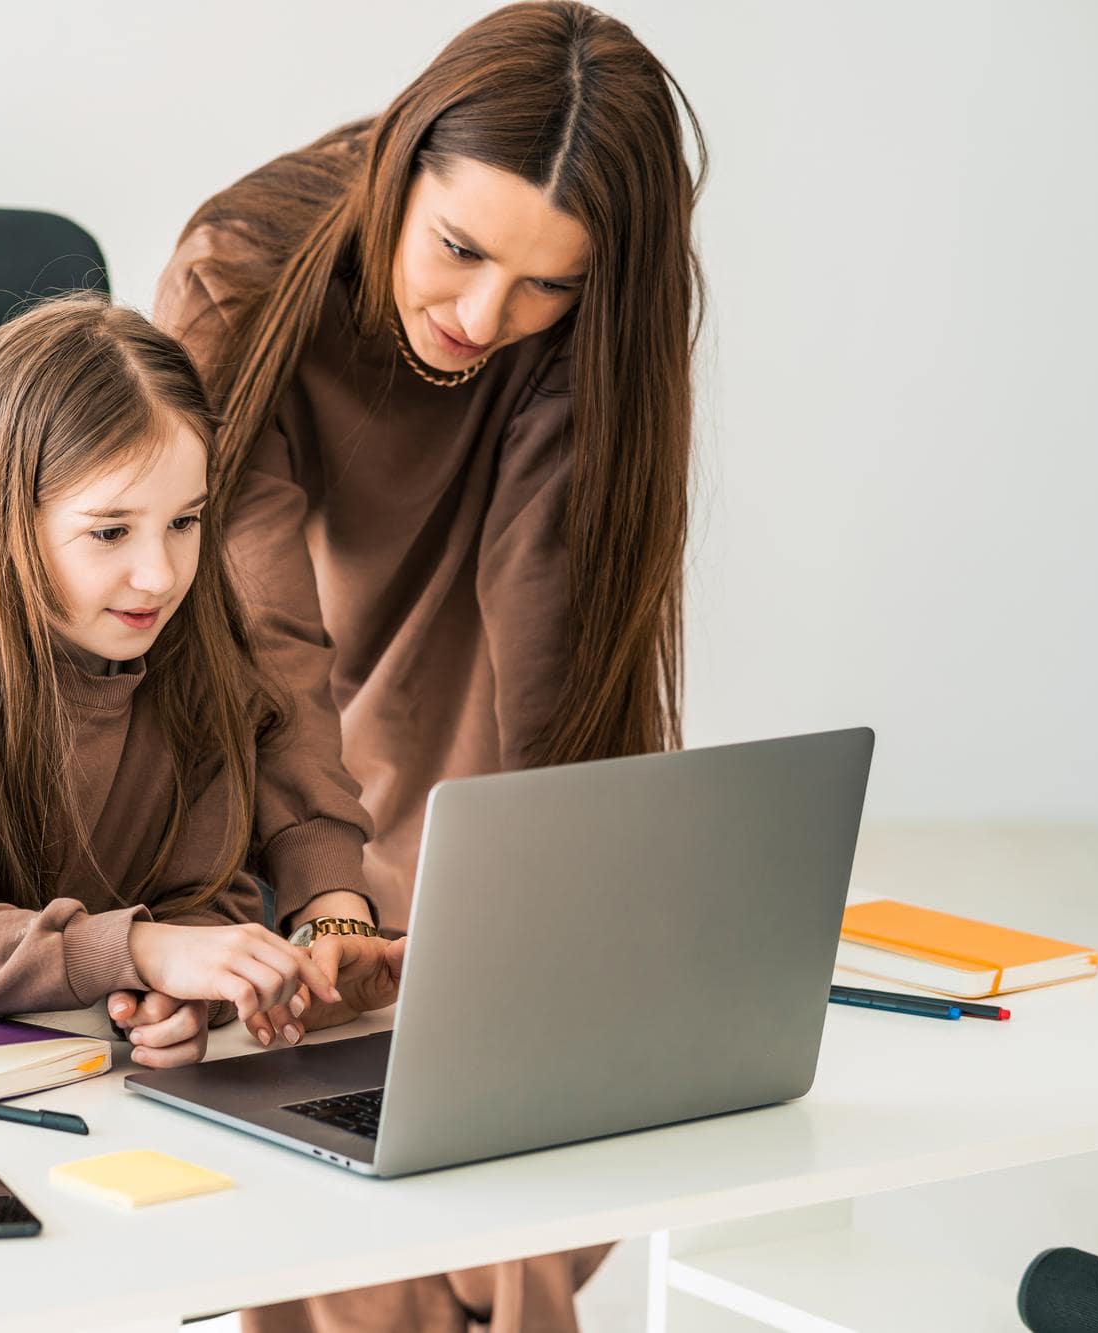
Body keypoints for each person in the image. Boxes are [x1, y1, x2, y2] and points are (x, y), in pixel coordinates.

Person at [155, 2, 705, 1326]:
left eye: (543, 284)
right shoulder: (243, 256)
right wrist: (328, 889)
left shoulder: (589, 324)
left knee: (534, 1043)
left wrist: (564, 907)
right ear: (400, 170)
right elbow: (262, 627)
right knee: (322, 1035)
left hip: (452, 668)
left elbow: (557, 621)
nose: (481, 313)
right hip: (259, 679)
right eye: (457, 249)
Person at [0, 295, 364, 1066]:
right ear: (6, 520)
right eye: (110, 531)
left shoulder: (193, 663)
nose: (158, 573)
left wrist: (185, 991)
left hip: (81, 1095)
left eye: (184, 522)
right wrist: (138, 951)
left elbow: (206, 893)